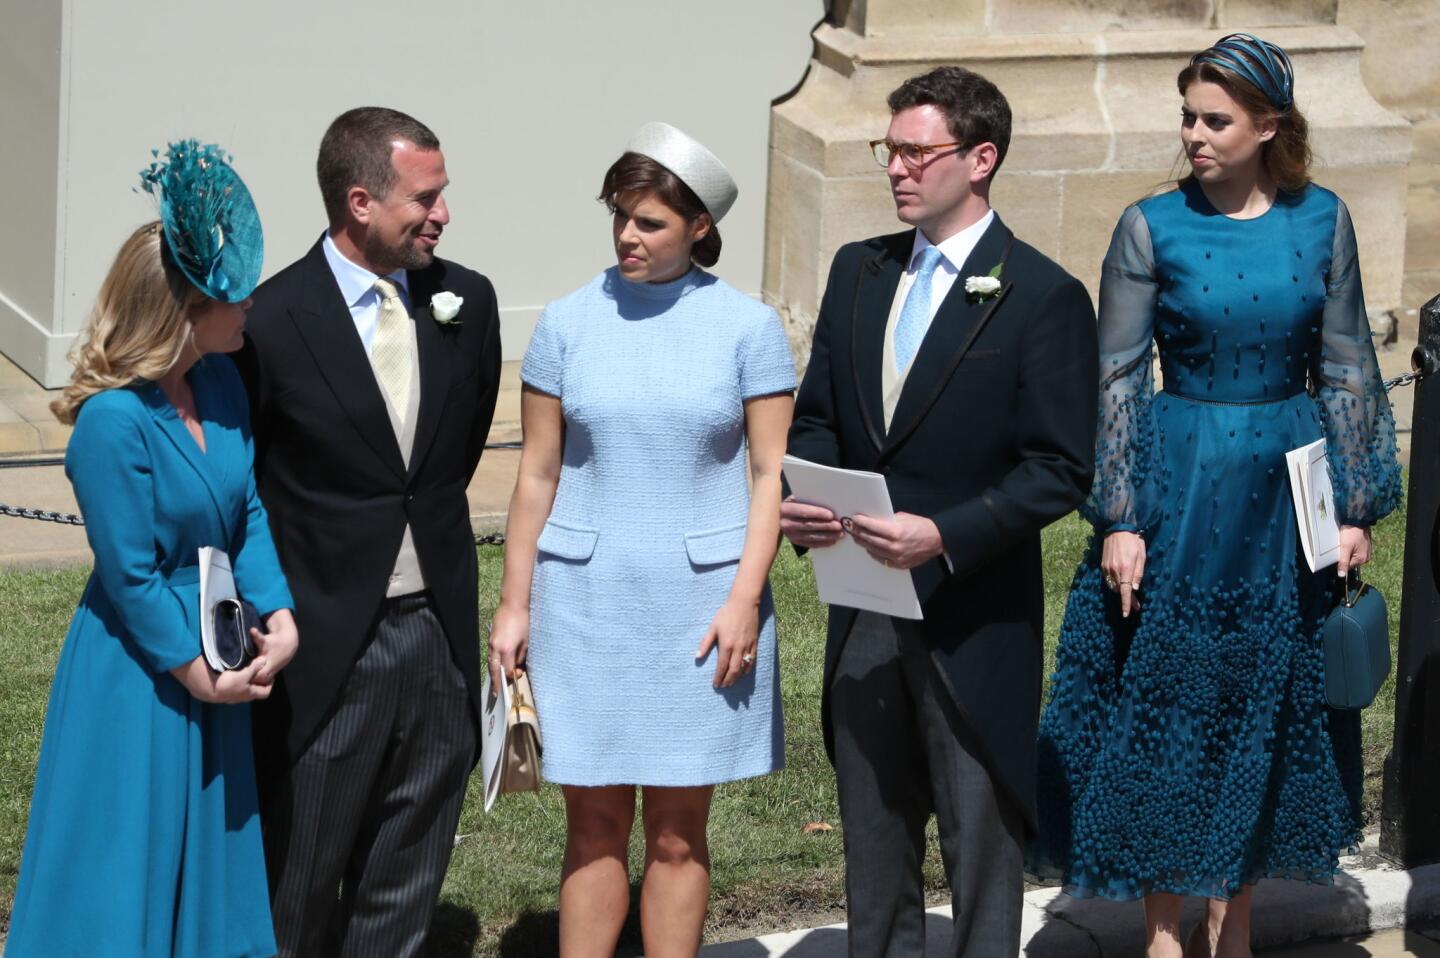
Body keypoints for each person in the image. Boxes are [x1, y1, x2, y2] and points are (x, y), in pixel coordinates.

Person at [1032, 33, 1404, 958]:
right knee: (1172, 704)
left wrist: (1354, 507)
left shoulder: (1324, 220)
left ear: (1268, 125)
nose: (1194, 134)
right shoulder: (1150, 225)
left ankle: (1231, 927)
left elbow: (1351, 366)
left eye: (1215, 118)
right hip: (1183, 479)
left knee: (1265, 702)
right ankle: (1164, 934)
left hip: (1287, 489)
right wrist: (1120, 518)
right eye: (1188, 117)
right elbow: (1116, 376)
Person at [780, 67, 1099, 956]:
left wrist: (945, 535)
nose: (897, 169)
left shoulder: (1042, 296)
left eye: (918, 151)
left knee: (977, 850)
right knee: (874, 846)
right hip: (864, 614)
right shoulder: (858, 273)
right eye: (891, 150)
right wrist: (799, 501)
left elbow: (1060, 469)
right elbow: (819, 419)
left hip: (972, 622)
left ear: (981, 158)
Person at [487, 121, 794, 957]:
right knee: (589, 825)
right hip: (582, 607)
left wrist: (743, 601)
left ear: (699, 227)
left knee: (677, 831)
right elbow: (537, 476)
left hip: (700, 608)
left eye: (650, 221)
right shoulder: (565, 323)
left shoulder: (748, 327)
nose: (629, 234)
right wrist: (514, 607)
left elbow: (770, 476)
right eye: (621, 215)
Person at [6, 141, 297, 958]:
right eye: (231, 298)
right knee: (120, 875)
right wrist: (198, 672)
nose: (248, 309)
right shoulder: (111, 424)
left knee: (207, 876)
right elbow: (130, 577)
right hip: (141, 674)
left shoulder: (222, 382)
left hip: (217, 647)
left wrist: (279, 613)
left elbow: (246, 511)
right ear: (184, 308)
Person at [235, 107, 502, 956]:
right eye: (425, 197)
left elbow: (446, 462)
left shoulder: (470, 301)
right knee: (299, 884)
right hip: (323, 649)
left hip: (438, 638)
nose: (443, 214)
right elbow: (244, 488)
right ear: (359, 202)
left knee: (407, 882)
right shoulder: (269, 322)